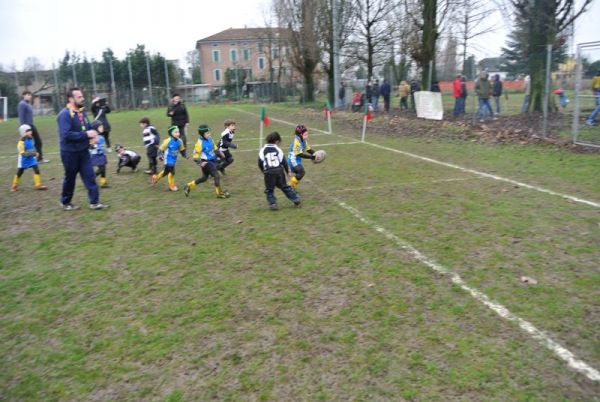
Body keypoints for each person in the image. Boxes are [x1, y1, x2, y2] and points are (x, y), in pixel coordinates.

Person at [57, 87, 108, 210]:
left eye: (82, 96)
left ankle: (94, 202)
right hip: (70, 153)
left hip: (83, 151)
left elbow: (88, 127)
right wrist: (86, 135)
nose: (82, 98)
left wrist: (94, 134)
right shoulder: (64, 115)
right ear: (71, 99)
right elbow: (66, 135)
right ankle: (65, 202)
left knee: (90, 176)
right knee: (70, 179)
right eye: (79, 97)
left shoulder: (81, 112)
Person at [183, 124, 230, 199]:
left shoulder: (210, 139)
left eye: (209, 132)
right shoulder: (199, 143)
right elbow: (195, 156)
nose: (209, 134)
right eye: (207, 133)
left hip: (212, 160)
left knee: (204, 178)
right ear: (202, 134)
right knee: (216, 175)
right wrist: (201, 163)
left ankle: (189, 186)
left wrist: (220, 153)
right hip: (206, 162)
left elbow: (214, 147)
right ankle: (219, 193)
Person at [258, 131, 301, 210]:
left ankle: (273, 204)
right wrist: (288, 172)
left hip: (268, 172)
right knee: (284, 187)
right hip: (279, 171)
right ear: (277, 141)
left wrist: (263, 171)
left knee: (269, 189)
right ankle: (296, 199)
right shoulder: (278, 149)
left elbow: (260, 163)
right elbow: (284, 162)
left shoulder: (262, 150)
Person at [10, 124, 47, 192]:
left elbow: (32, 148)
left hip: (31, 158)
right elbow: (23, 154)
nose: (30, 132)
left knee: (36, 169)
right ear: (23, 132)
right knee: (20, 172)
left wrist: (35, 152)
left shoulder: (30, 139)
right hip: (23, 160)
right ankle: (14, 185)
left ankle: (38, 184)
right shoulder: (21, 142)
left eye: (30, 130)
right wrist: (34, 153)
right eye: (28, 131)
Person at [152, 126, 187, 191]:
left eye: (178, 132)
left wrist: (185, 155)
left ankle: (155, 178)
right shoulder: (167, 141)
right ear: (171, 133)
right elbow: (160, 149)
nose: (178, 133)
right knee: (172, 171)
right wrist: (160, 156)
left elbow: (182, 150)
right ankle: (171, 186)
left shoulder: (180, 141)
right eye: (176, 132)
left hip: (173, 159)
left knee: (166, 172)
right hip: (167, 159)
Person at [17, 91, 48, 163]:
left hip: (31, 125)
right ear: (23, 96)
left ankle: (39, 158)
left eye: (30, 95)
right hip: (26, 127)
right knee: (29, 144)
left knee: (38, 142)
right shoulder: (22, 104)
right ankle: (36, 159)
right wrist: (23, 128)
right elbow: (21, 116)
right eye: (27, 95)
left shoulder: (28, 104)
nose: (29, 96)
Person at [288, 124, 316, 191]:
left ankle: (292, 186)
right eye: (305, 135)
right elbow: (300, 154)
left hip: (297, 160)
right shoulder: (297, 141)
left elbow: (308, 149)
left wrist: (315, 154)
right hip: (293, 160)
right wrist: (311, 157)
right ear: (300, 134)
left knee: (299, 174)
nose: (307, 136)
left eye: (307, 134)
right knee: (301, 172)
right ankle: (289, 185)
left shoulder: (303, 140)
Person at [89, 120, 110, 188]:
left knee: (103, 169)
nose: (102, 128)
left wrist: (103, 151)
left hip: (101, 155)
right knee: (101, 169)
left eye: (102, 126)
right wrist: (92, 146)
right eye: (100, 127)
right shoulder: (92, 137)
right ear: (95, 128)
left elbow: (101, 147)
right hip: (96, 156)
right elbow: (90, 146)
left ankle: (103, 183)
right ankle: (90, 180)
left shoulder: (101, 137)